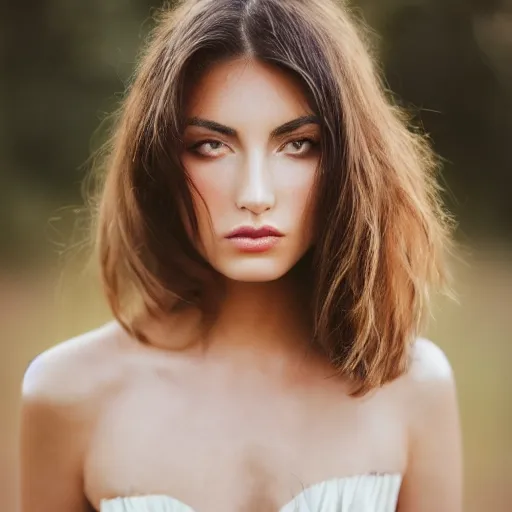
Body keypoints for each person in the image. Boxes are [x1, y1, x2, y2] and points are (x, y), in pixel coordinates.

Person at [19, 0, 463, 511]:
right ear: (159, 159)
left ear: (348, 161)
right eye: (211, 145)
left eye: (297, 144)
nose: (255, 194)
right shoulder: (66, 395)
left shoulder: (413, 386)